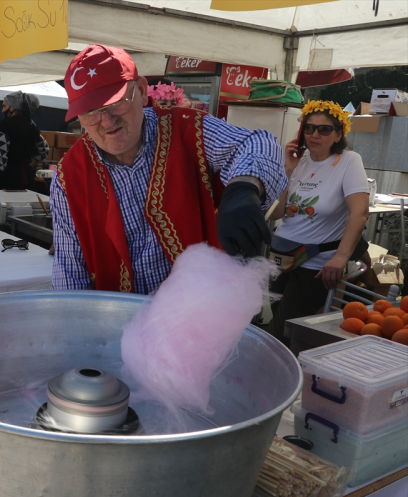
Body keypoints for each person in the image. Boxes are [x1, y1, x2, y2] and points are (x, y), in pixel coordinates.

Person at [50, 44, 287, 294]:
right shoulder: (69, 176)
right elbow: (69, 274)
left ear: (142, 91)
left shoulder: (186, 128)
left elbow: (258, 142)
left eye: (117, 103)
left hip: (204, 305)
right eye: (90, 112)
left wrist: (244, 187)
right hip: (120, 315)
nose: (107, 121)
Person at [266, 100, 369, 344]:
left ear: (338, 135)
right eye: (309, 128)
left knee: (283, 332)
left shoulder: (348, 161)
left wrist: (341, 258)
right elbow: (276, 213)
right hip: (282, 256)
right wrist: (287, 171)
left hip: (314, 263)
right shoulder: (297, 160)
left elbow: (360, 212)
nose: (314, 135)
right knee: (282, 324)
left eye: (324, 129)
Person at [0, 91, 50, 190]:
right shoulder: (32, 125)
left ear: (13, 108)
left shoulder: (5, 125)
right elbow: (44, 149)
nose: (2, 110)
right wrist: (28, 165)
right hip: (27, 180)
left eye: (4, 106)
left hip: (7, 181)